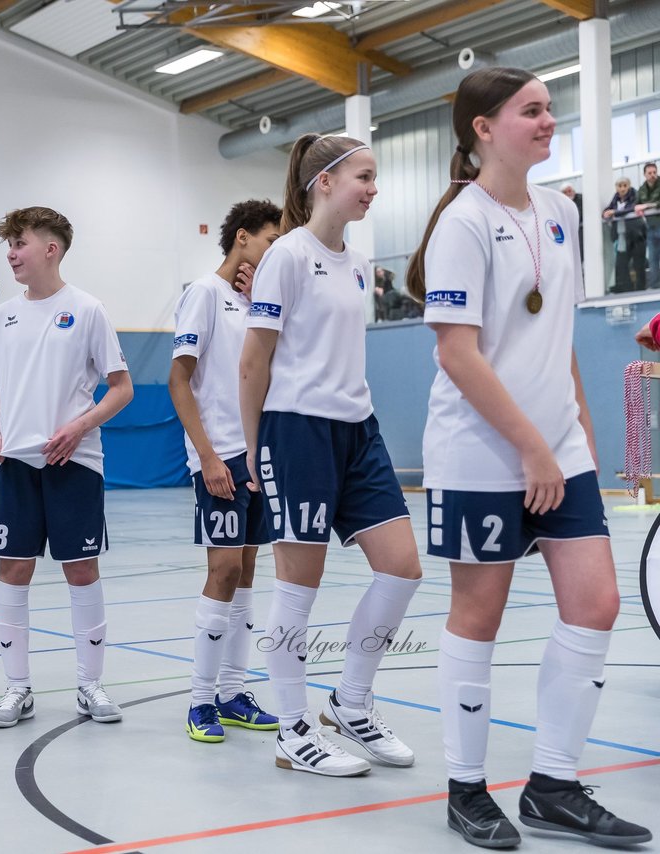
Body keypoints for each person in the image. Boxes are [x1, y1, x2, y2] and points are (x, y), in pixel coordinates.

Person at [406, 66, 651, 848]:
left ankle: (551, 784)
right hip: (481, 455)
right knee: (479, 615)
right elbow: (458, 355)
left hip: (558, 453)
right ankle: (467, 790)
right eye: (533, 111)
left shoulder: (561, 211)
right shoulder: (462, 222)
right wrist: (533, 448)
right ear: (484, 128)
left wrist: (576, 433)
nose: (550, 121)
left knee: (597, 605)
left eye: (551, 109)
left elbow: (557, 335)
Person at [239, 134, 423, 778]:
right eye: (364, 178)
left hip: (357, 429)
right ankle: (292, 728)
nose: (373, 189)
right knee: (299, 583)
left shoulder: (355, 261)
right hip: (296, 431)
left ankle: (350, 701)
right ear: (324, 182)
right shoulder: (286, 257)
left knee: (402, 568)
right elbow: (253, 361)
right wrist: (254, 449)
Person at [0, 206, 133, 728]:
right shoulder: (1, 316)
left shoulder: (87, 309)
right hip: (15, 467)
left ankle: (90, 685)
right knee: (13, 570)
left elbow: (122, 388)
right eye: (9, 244)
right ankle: (17, 689)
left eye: (19, 243)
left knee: (81, 570)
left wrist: (79, 427)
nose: (11, 253)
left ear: (51, 248)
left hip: (75, 462)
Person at [169, 199, 282, 743]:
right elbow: (179, 381)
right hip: (221, 457)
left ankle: (235, 692)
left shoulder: (252, 301)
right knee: (224, 571)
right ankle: (200, 701)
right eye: (268, 241)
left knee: (247, 572)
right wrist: (209, 458)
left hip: (258, 455)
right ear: (242, 238)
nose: (274, 250)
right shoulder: (204, 294)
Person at [603, 177, 646, 292]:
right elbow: (609, 209)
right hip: (622, 237)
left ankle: (641, 289)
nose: (622, 189)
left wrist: (614, 212)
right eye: (619, 186)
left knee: (638, 264)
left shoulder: (634, 194)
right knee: (621, 264)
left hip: (637, 235)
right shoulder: (615, 198)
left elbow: (631, 208)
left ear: (629, 186)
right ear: (616, 187)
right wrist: (605, 213)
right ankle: (627, 288)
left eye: (624, 185)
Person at [635, 162, 660, 288]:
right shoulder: (642, 189)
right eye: (649, 173)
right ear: (644, 174)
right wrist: (638, 208)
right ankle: (655, 285)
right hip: (650, 227)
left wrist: (647, 206)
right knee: (653, 258)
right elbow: (636, 204)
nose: (653, 175)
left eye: (654, 172)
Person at [560, 182, 584, 261]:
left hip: (581, 230)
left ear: (573, 191)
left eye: (569, 191)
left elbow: (579, 215)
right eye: (565, 192)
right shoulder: (561, 202)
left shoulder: (580, 198)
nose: (567, 193)